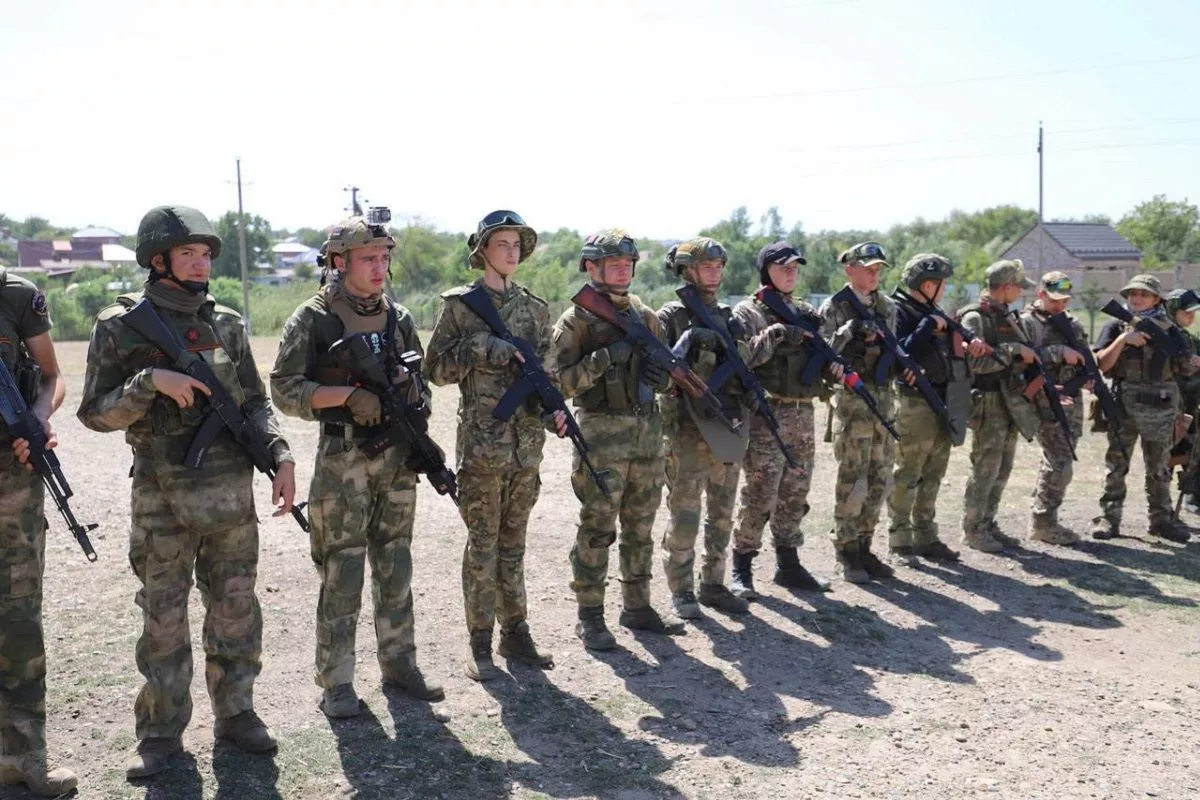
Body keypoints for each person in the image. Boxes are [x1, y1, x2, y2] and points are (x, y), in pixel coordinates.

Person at [77, 206, 296, 779]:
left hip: (231, 497)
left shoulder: (226, 323)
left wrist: (280, 454)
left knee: (236, 609)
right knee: (163, 618)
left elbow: (254, 401)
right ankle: (159, 732)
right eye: (188, 254)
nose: (201, 264)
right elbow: (94, 414)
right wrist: (150, 383)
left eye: (204, 255)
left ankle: (237, 712)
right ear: (158, 260)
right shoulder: (121, 326)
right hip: (162, 501)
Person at [270, 214, 443, 718]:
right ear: (339, 261)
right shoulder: (314, 318)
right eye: (369, 258)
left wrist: (412, 393)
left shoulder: (398, 318)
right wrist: (343, 396)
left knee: (396, 565)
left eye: (384, 257)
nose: (379, 267)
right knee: (342, 572)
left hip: (397, 458)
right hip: (343, 460)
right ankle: (337, 683)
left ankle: (400, 664)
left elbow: (424, 384)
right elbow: (283, 389)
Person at [425, 210, 566, 680]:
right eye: (501, 243)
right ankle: (479, 642)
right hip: (483, 450)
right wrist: (481, 347)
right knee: (482, 548)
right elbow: (435, 369)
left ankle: (516, 633)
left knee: (513, 546)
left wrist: (554, 412)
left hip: (525, 451)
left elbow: (546, 378)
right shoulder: (460, 307)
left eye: (516, 245)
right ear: (482, 250)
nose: (510, 252)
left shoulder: (536, 310)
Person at [548, 229, 685, 650]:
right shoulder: (576, 321)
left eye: (628, 263)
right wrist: (604, 358)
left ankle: (637, 606)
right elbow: (557, 385)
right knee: (598, 527)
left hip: (646, 432)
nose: (624, 270)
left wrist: (662, 379)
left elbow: (667, 378)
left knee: (641, 525)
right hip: (602, 434)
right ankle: (590, 616)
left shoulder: (645, 316)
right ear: (592, 267)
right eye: (614, 263)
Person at [0, 268, 77, 796]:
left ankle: (24, 757)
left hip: (13, 476)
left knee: (19, 616)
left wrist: (38, 416)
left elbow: (51, 376)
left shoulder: (17, 296)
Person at [729, 242, 834, 598]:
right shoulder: (749, 312)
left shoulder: (805, 312)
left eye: (795, 267)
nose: (791, 273)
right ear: (766, 271)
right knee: (761, 492)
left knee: (795, 492)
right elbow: (742, 359)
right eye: (783, 267)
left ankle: (788, 564)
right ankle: (741, 566)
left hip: (802, 411)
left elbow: (820, 358)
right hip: (767, 414)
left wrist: (833, 368)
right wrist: (776, 333)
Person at [656, 237, 752, 619]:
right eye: (705, 266)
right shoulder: (671, 317)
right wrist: (693, 341)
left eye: (718, 266)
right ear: (687, 271)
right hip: (686, 428)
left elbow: (747, 363)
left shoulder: (730, 317)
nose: (714, 273)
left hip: (726, 423)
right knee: (685, 513)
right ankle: (681, 591)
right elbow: (661, 371)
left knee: (723, 512)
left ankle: (713, 584)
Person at [886, 253, 986, 563]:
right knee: (908, 472)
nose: (944, 289)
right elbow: (901, 352)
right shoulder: (900, 311)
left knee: (934, 472)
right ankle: (900, 540)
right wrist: (929, 325)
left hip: (945, 399)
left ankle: (926, 535)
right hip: (915, 402)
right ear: (928, 285)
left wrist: (966, 344)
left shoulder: (935, 312)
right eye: (941, 284)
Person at [1090, 275, 1199, 543]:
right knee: (1117, 465)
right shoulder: (1117, 325)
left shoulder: (1170, 329)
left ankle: (1161, 520)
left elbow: (1183, 368)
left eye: (1144, 294)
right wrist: (1124, 340)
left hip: (1161, 407)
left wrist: (1191, 361)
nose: (1136, 298)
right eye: (1132, 294)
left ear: (1156, 299)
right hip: (1123, 405)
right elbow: (1101, 365)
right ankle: (1109, 517)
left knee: (1160, 466)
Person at [818, 242, 901, 583]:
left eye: (878, 268)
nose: (874, 273)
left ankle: (866, 545)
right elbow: (822, 352)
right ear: (849, 269)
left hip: (884, 403)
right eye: (868, 268)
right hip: (853, 404)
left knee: (881, 478)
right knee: (854, 480)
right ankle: (847, 549)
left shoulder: (887, 306)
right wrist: (849, 332)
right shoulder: (834, 306)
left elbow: (893, 351)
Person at [956, 259, 1042, 553]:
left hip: (1010, 400)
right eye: (1018, 286)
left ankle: (988, 523)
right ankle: (973, 529)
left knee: (1003, 468)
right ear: (1005, 287)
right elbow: (975, 363)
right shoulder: (975, 317)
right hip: (989, 401)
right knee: (985, 468)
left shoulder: (1006, 315)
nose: (1021, 292)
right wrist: (1014, 350)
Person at [1020, 271, 1088, 546]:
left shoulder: (1073, 324)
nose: (1060, 305)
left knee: (1058, 461)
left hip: (1072, 402)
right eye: (1054, 300)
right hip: (1044, 401)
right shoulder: (1027, 323)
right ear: (1041, 294)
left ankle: (1044, 518)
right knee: (1060, 463)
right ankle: (1043, 523)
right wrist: (1058, 352)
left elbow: (1085, 359)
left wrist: (1088, 377)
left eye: (1064, 300)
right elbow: (1021, 360)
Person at [1165, 289, 1200, 515]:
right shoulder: (1163, 336)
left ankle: (1192, 496)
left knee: (1192, 452)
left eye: (1194, 312)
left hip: (1190, 405)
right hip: (1168, 407)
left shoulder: (1190, 339)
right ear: (1172, 310)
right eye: (1187, 312)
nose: (1192, 317)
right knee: (1166, 455)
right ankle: (1162, 506)